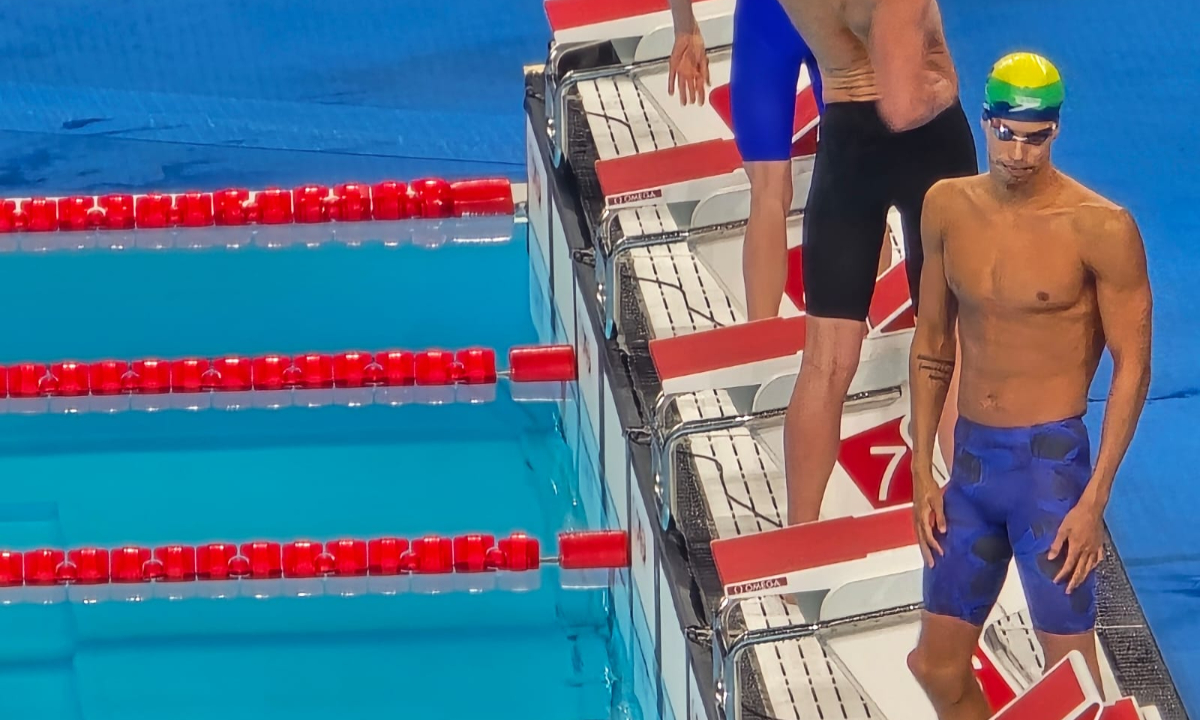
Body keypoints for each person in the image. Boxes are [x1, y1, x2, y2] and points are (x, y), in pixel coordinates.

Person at [906, 52, 1152, 718]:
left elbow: (1133, 366)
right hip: (971, 470)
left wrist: (1095, 498)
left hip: (1050, 475)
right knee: (934, 665)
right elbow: (931, 342)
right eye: (1006, 133)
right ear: (984, 123)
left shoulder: (1101, 228)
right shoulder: (945, 208)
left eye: (1035, 136)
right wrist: (923, 469)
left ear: (1056, 131)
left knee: (1075, 688)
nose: (1018, 151)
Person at [770, 0, 978, 524]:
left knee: (825, 359)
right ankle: (975, 532)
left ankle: (799, 542)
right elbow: (902, 105)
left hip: (846, 140)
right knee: (954, 349)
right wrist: (937, 87)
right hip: (929, 142)